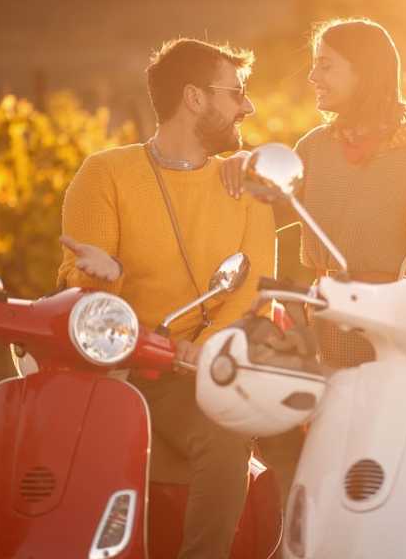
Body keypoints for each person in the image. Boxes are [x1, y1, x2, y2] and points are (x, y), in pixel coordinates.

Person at [58, 37, 273, 559]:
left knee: (227, 428)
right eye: (235, 92)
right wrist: (102, 278)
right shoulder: (105, 174)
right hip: (125, 371)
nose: (247, 105)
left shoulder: (249, 186)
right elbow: (77, 292)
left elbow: (253, 291)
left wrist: (207, 348)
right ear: (194, 98)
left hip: (200, 372)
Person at [222, 17, 406, 282]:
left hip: (397, 304)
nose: (313, 77)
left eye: (325, 66)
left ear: (365, 72)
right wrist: (246, 164)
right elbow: (259, 218)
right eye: (315, 66)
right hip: (326, 303)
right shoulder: (314, 147)